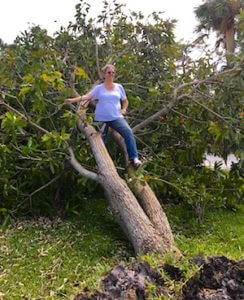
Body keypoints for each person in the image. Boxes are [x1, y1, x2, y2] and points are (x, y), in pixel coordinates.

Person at [64, 64, 142, 167]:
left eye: (113, 73)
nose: (111, 74)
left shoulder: (119, 87)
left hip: (116, 118)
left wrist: (124, 109)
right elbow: (88, 96)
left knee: (128, 132)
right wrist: (72, 100)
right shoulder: (99, 88)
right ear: (104, 74)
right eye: (109, 72)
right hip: (101, 119)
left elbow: (125, 101)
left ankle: (134, 158)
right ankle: (102, 165)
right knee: (100, 141)